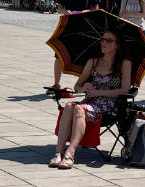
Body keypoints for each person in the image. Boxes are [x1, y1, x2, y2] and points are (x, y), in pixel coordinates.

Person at [52, 29, 132, 169]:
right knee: (70, 105)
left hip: (110, 106)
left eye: (108, 40)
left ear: (117, 45)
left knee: (77, 108)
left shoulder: (124, 63)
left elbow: (125, 90)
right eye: (102, 40)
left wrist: (98, 92)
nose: (103, 43)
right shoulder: (93, 62)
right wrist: (85, 88)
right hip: (89, 102)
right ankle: (58, 153)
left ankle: (70, 152)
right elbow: (77, 86)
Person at [52, 0, 101, 88]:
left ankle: (83, 82)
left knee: (86, 56)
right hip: (69, 24)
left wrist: (88, 11)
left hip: (85, 25)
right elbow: (60, 6)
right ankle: (56, 83)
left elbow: (96, 6)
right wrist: (65, 12)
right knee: (59, 54)